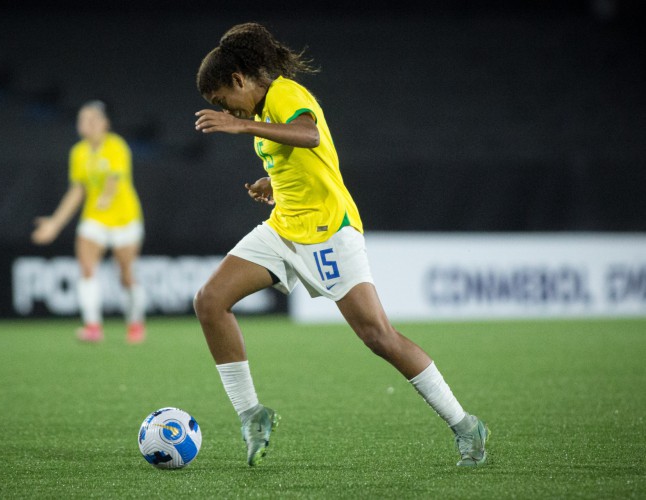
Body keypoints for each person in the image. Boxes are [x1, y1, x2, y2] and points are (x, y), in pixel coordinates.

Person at [194, 22, 489, 467]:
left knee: (378, 336)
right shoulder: (264, 113)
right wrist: (270, 182)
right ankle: (251, 414)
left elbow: (310, 135)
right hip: (284, 228)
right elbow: (303, 158)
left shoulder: (283, 95)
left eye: (223, 102)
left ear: (239, 80)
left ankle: (466, 425)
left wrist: (241, 127)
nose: (228, 112)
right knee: (210, 300)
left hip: (329, 231)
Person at [32, 100, 147, 344]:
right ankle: (93, 326)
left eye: (92, 120)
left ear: (105, 124)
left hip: (125, 218)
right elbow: (77, 191)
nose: (86, 124)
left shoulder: (116, 146)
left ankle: (135, 323)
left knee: (126, 275)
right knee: (86, 268)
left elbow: (114, 180)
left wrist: (106, 197)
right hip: (94, 217)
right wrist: (55, 223)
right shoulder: (78, 152)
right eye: (82, 120)